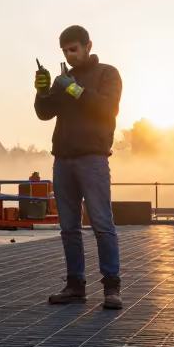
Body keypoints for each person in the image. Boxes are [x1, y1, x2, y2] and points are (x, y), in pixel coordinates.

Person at [34, 25, 123, 309]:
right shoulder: (64, 78)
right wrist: (43, 90)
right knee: (68, 227)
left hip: (93, 158)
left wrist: (71, 87)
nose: (69, 55)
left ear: (88, 46)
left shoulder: (107, 74)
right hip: (63, 160)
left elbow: (106, 109)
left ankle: (111, 288)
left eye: (73, 49)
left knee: (101, 223)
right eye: (64, 51)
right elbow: (45, 113)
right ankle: (75, 285)